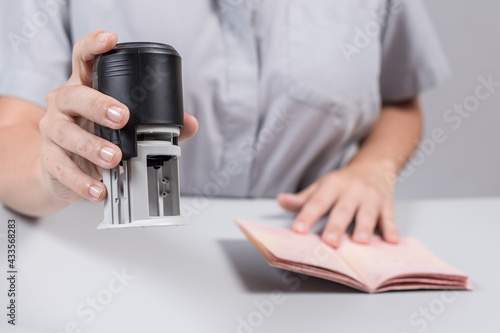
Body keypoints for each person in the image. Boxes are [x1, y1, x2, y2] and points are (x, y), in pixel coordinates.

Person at [0, 0, 449, 247]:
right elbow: (10, 132)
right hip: (129, 255)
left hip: (311, 252)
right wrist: (51, 170)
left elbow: (400, 102)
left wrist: (373, 169)